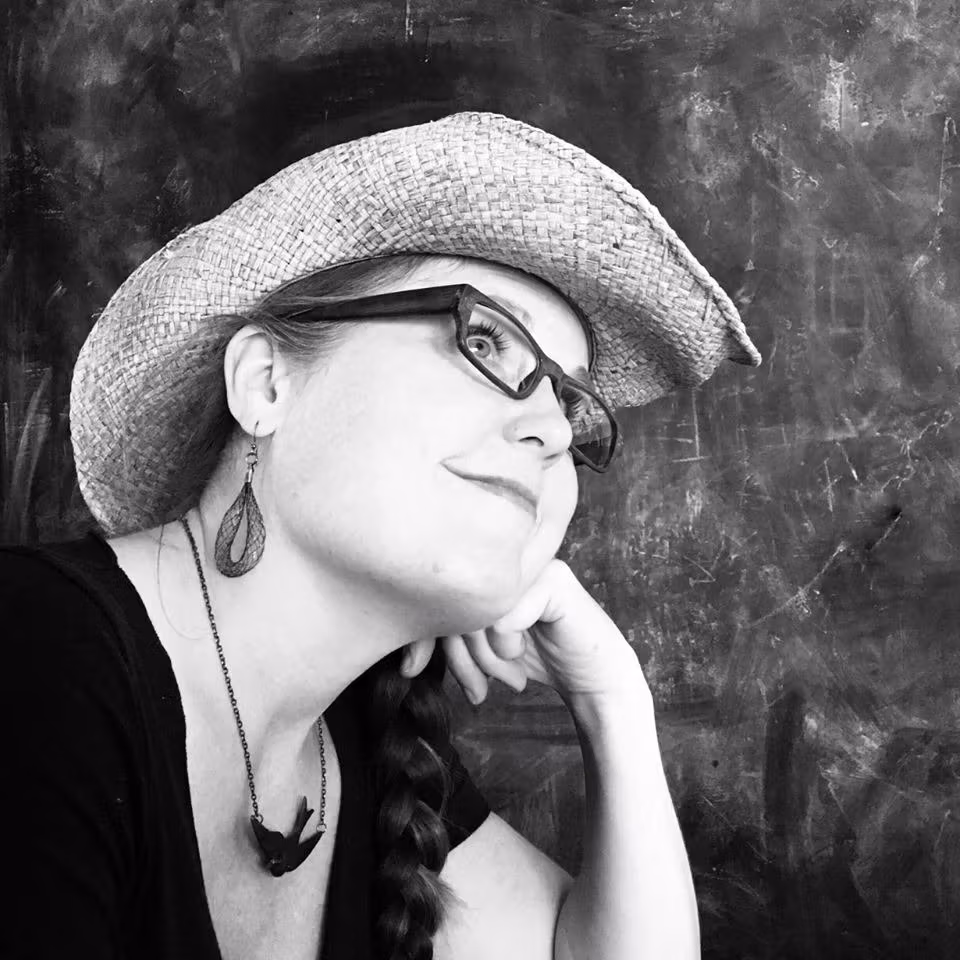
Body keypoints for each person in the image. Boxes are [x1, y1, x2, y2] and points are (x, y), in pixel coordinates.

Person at [3, 111, 760, 960]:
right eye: (485, 338)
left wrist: (613, 703)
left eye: (571, 404)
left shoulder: (369, 743)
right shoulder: (32, 660)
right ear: (266, 384)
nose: (552, 428)